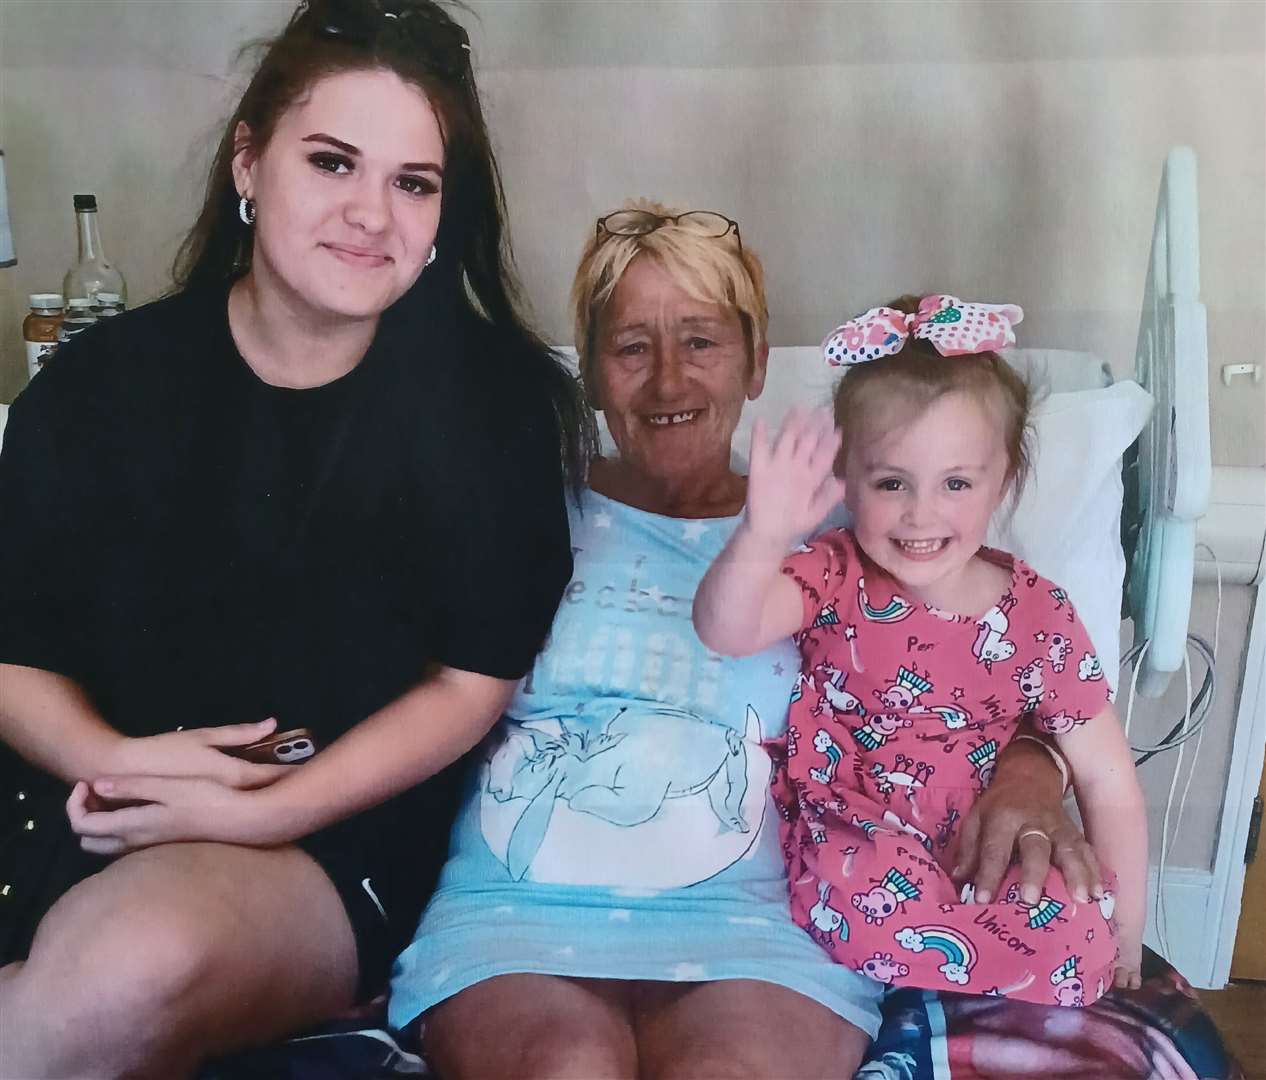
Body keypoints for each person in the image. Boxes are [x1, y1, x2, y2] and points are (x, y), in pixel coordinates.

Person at [0, 1, 589, 1075]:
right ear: (247, 162)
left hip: (320, 841)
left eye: (413, 182)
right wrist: (121, 766)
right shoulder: (97, 386)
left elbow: (471, 683)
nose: (372, 214)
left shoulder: (491, 409)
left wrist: (259, 813)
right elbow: (11, 652)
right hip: (67, 798)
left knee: (124, 971)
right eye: (331, 162)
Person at [391, 208, 1103, 1079]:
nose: (666, 381)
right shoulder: (526, 513)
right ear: (590, 374)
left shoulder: (854, 531)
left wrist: (1033, 767)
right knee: (563, 1068)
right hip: (515, 912)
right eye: (630, 348)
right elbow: (423, 691)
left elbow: (986, 669)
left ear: (757, 360)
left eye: (701, 342)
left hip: (761, 922)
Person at [693, 294, 1147, 1007]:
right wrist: (761, 534)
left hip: (983, 840)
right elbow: (725, 628)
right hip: (864, 836)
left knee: (1079, 925)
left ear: (1005, 480)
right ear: (848, 476)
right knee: (864, 897)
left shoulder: (1039, 613)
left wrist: (1125, 934)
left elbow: (1108, 779)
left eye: (956, 484)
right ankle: (943, 974)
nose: (921, 514)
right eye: (891, 483)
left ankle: (961, 966)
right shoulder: (834, 573)